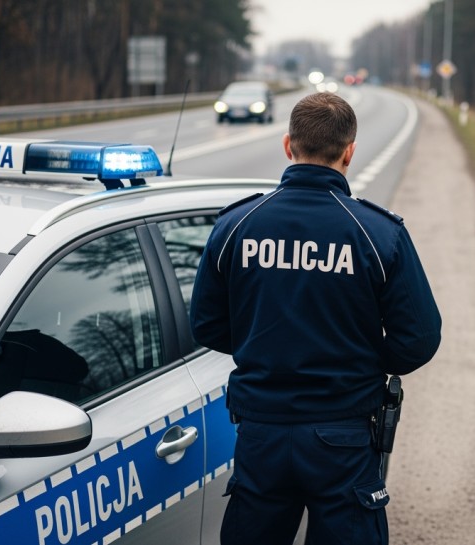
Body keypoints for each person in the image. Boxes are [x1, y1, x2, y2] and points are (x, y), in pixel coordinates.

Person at [190, 92, 442, 545]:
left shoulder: (236, 226)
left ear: (288, 146)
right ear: (349, 152)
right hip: (342, 435)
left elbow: (206, 325)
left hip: (260, 432)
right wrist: (363, 360)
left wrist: (263, 345)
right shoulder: (378, 233)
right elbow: (420, 338)